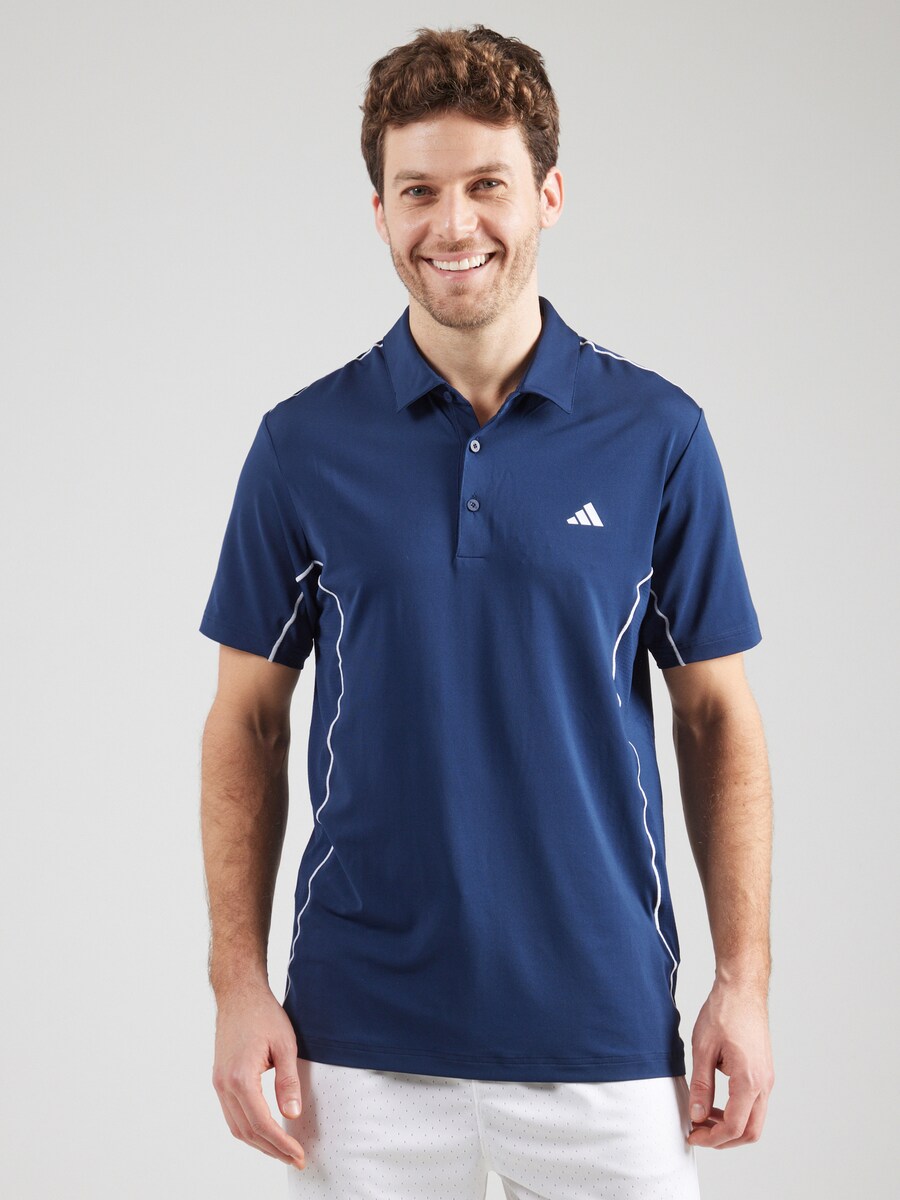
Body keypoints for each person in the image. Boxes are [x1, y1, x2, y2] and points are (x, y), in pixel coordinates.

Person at [198, 23, 774, 1199]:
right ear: (379, 212)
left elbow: (719, 719)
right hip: (357, 1052)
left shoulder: (657, 436)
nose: (452, 224)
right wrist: (237, 985)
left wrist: (744, 983)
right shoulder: (301, 445)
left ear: (549, 194)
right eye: (418, 190)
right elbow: (245, 724)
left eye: (486, 185)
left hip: (606, 1037)